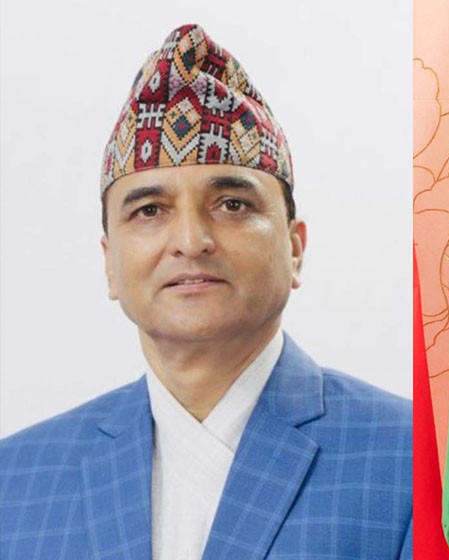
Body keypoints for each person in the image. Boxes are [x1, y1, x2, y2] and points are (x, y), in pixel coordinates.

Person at [0, 25, 413, 560]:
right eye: (150, 210)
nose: (191, 241)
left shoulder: (413, 462)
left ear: (294, 248)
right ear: (109, 263)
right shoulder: (16, 480)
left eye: (232, 205)